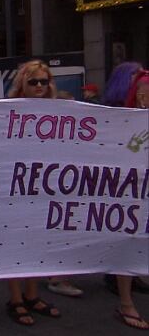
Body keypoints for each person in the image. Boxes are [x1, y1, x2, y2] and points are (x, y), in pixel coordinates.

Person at [5, 60, 66, 326]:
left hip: (44, 187)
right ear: (22, 85)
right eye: (34, 81)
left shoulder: (59, 112)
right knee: (15, 245)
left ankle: (32, 295)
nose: (40, 86)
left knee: (36, 245)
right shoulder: (9, 112)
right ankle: (16, 299)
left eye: (44, 81)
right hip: (16, 189)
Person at [110, 69, 149, 330]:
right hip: (133, 192)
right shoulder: (124, 123)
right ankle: (126, 302)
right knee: (129, 241)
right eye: (143, 93)